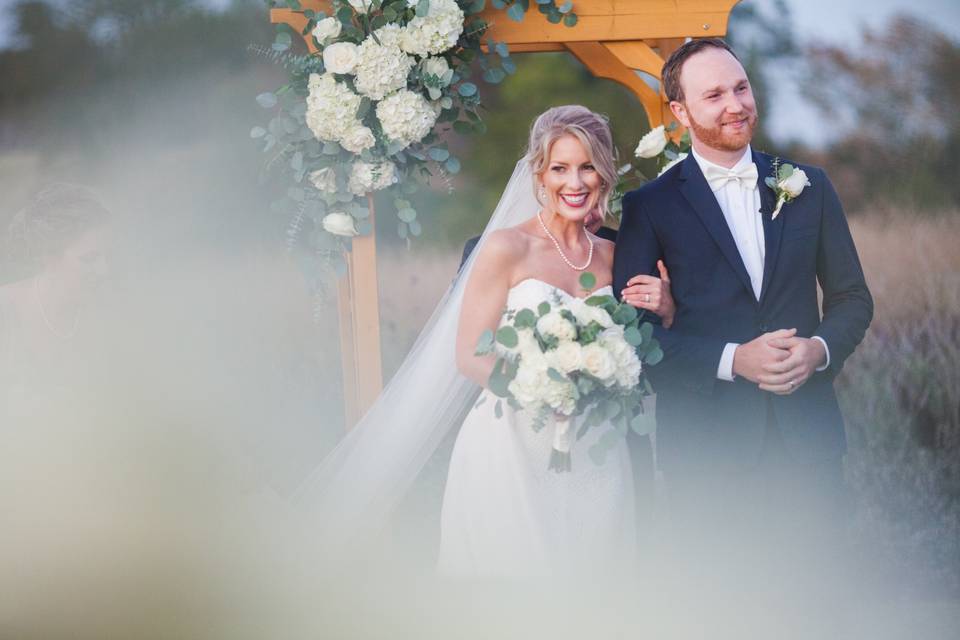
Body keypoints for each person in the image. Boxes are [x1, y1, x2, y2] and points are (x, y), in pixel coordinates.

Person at [295, 106, 674, 579]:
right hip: (513, 443)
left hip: (598, 448)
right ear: (539, 172)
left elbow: (641, 346)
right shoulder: (506, 248)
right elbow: (471, 355)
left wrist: (666, 308)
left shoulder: (620, 256)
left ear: (604, 173)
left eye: (587, 166)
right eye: (559, 168)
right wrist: (545, 391)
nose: (574, 183)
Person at [612, 39, 873, 584]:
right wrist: (735, 360)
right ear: (680, 112)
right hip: (707, 452)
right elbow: (634, 341)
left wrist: (819, 350)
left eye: (741, 87)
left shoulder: (810, 187)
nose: (736, 104)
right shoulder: (647, 207)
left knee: (816, 600)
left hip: (807, 443)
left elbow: (852, 298)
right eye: (714, 95)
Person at [0, 183, 112, 412]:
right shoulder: (5, 311)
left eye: (106, 256)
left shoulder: (107, 315)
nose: (104, 270)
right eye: (89, 258)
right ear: (48, 256)